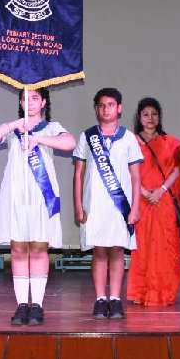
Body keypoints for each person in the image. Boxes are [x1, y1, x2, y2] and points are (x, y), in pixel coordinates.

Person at [0, 88, 76, 326]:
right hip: (15, 195)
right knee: (18, 249)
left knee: (38, 248)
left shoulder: (52, 127)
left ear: (44, 101)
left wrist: (37, 139)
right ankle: (22, 303)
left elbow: (69, 142)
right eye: (25, 98)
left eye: (35, 98)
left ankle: (38, 305)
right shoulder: (14, 129)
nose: (30, 102)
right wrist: (15, 123)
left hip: (41, 195)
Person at [72, 88, 143, 320]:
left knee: (117, 251)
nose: (106, 109)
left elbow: (135, 176)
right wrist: (78, 205)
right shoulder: (87, 136)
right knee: (99, 252)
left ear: (119, 108)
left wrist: (135, 208)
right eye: (101, 105)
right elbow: (78, 174)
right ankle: (100, 298)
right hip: (94, 204)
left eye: (111, 105)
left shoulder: (129, 137)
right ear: (96, 109)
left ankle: (115, 298)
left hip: (120, 206)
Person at [126, 97, 180, 306]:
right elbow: (127, 171)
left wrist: (160, 190)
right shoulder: (131, 142)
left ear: (159, 117)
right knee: (142, 247)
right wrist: (142, 191)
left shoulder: (170, 142)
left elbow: (177, 169)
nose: (150, 118)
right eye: (145, 114)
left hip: (163, 201)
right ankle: (140, 292)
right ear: (139, 118)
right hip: (141, 200)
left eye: (154, 114)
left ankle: (164, 292)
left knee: (164, 246)